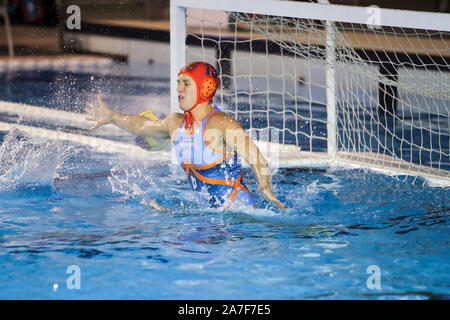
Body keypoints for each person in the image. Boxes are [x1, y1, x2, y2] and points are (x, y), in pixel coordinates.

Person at [85, 61, 285, 210]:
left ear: (204, 87)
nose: (179, 88)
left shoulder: (222, 123)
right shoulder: (176, 123)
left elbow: (256, 159)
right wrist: (111, 116)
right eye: (179, 82)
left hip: (240, 212)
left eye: (186, 83)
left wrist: (265, 187)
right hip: (209, 213)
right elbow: (142, 126)